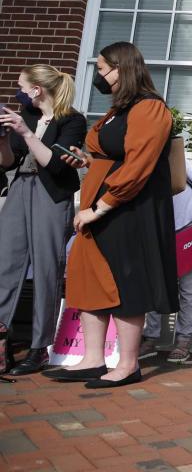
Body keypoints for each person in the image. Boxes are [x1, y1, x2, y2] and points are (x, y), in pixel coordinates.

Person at [45, 41, 177, 388]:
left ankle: (128, 363)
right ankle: (92, 359)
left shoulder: (150, 109)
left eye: (103, 69)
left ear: (122, 68)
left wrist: (100, 208)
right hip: (98, 206)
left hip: (127, 209)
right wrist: (85, 160)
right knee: (88, 276)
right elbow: (111, 157)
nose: (99, 75)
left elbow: (137, 166)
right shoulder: (118, 110)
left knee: (126, 280)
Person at [0, 65, 86, 376]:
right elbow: (10, 161)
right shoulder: (27, 114)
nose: (18, 91)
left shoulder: (72, 120)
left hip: (51, 193)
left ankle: (40, 348)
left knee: (48, 268)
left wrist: (24, 131)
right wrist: (5, 139)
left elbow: (55, 164)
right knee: (4, 262)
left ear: (38, 89)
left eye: (22, 86)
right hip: (20, 187)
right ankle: (1, 341)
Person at [140, 162, 192, 363]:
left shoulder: (173, 155)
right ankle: (150, 338)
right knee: (155, 285)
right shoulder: (139, 156)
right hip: (158, 230)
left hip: (188, 226)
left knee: (188, 289)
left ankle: (183, 340)